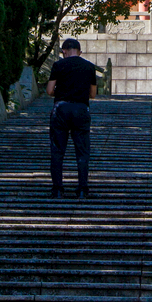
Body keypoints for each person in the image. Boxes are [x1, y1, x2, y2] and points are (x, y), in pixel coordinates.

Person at [46, 38, 98, 199]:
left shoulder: (58, 65)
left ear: (64, 51)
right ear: (79, 51)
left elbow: (49, 90)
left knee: (57, 151)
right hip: (81, 109)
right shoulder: (89, 66)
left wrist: (61, 93)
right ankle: (82, 188)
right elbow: (93, 94)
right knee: (82, 151)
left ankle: (58, 189)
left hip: (61, 109)